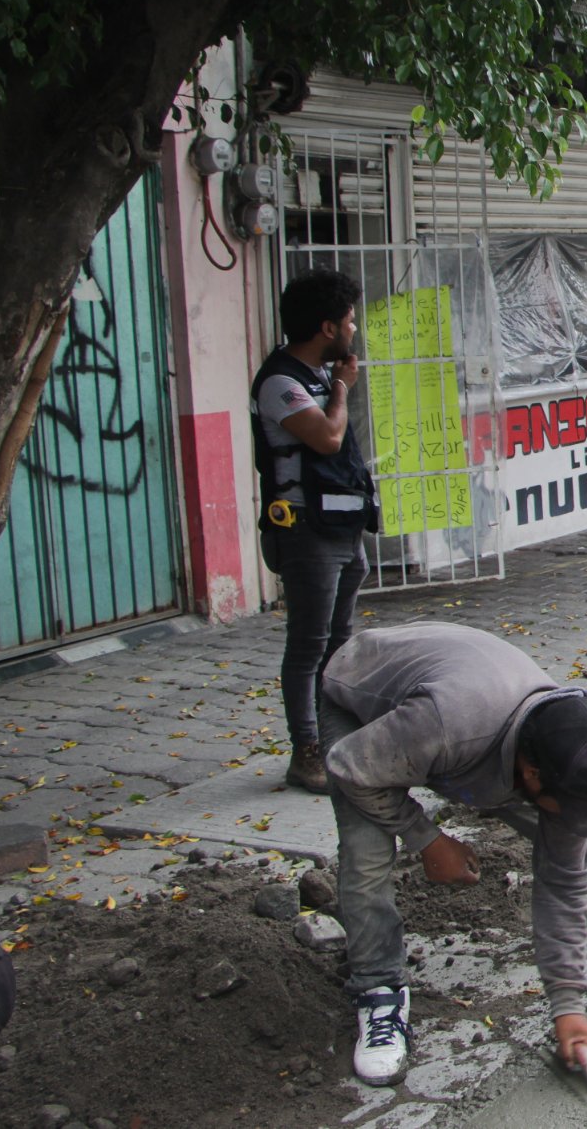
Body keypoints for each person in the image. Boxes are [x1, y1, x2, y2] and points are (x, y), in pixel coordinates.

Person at [320, 622, 587, 1088]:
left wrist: (568, 1006)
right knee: (365, 852)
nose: (574, 817)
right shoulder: (449, 728)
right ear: (530, 772)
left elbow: (560, 880)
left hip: (467, 709)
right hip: (361, 705)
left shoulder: (567, 732)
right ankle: (377, 987)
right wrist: (427, 839)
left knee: (560, 823)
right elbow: (350, 769)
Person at [253, 267, 380, 795]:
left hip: (340, 524)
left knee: (339, 639)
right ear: (327, 327)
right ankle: (306, 750)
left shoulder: (322, 377)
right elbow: (327, 439)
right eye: (349, 321)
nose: (355, 330)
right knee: (307, 644)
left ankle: (335, 736)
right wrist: (343, 390)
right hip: (305, 530)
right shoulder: (281, 382)